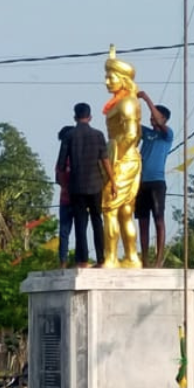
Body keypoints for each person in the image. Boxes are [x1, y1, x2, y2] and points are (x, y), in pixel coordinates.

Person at [101, 47, 143, 268]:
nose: (107, 81)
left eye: (111, 77)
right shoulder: (120, 102)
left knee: (110, 209)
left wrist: (113, 161)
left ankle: (110, 258)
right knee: (126, 211)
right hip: (126, 158)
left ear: (123, 79)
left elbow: (132, 134)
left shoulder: (127, 103)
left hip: (122, 160)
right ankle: (131, 256)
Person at [56, 102, 110, 266]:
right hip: (95, 184)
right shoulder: (98, 135)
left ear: (75, 117)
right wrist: (112, 181)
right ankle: (101, 259)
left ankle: (82, 260)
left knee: (80, 223)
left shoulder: (69, 136)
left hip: (77, 185)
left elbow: (61, 164)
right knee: (97, 220)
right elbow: (105, 160)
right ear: (90, 116)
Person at [135, 93, 174, 267]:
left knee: (158, 220)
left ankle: (158, 261)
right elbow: (132, 123)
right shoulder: (147, 133)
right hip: (141, 182)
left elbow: (158, 121)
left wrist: (147, 100)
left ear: (164, 118)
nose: (152, 118)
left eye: (156, 115)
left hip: (157, 182)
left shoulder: (167, 135)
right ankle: (144, 260)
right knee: (143, 222)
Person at [55, 125, 75, 267]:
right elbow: (58, 177)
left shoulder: (65, 156)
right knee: (65, 231)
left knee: (66, 231)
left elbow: (58, 177)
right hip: (67, 199)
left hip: (73, 198)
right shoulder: (67, 157)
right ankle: (63, 260)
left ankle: (66, 261)